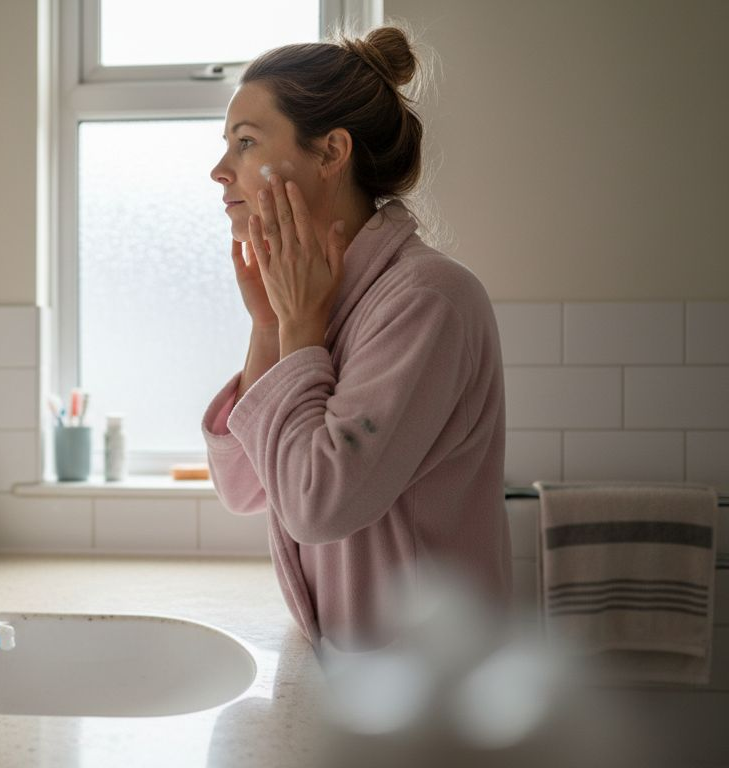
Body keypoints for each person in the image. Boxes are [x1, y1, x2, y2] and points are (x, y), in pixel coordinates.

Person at [202, 25, 511, 655]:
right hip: (361, 675)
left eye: (246, 143)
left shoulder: (426, 299)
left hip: (430, 689)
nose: (219, 171)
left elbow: (318, 507)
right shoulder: (320, 300)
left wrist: (299, 331)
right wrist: (271, 328)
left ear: (330, 152)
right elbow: (243, 488)